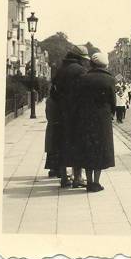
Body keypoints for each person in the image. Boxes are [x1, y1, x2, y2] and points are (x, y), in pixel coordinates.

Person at [75, 52, 116, 193]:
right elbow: (113, 102)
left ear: (92, 64)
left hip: (85, 118)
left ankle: (89, 181)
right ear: (104, 65)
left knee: (88, 149)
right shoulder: (109, 79)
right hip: (102, 119)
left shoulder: (83, 78)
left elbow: (78, 99)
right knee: (100, 150)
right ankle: (96, 183)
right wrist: (111, 113)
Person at [53, 45, 90, 188]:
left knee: (62, 144)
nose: (85, 62)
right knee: (78, 145)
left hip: (61, 113)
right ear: (79, 58)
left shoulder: (60, 70)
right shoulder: (80, 71)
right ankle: (77, 178)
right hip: (77, 114)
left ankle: (64, 178)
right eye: (84, 59)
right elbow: (84, 93)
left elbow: (54, 93)